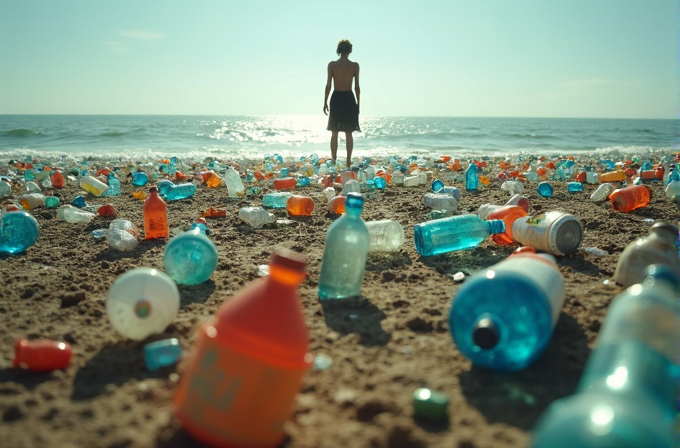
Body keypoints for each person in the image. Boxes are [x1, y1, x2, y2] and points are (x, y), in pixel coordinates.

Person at [324, 39, 360, 168]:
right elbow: (357, 87)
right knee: (348, 132)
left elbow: (328, 85)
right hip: (349, 97)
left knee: (334, 131)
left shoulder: (332, 65)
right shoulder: (354, 65)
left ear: (339, 50)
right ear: (349, 50)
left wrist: (325, 102)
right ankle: (348, 162)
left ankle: (333, 160)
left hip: (337, 97)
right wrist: (358, 104)